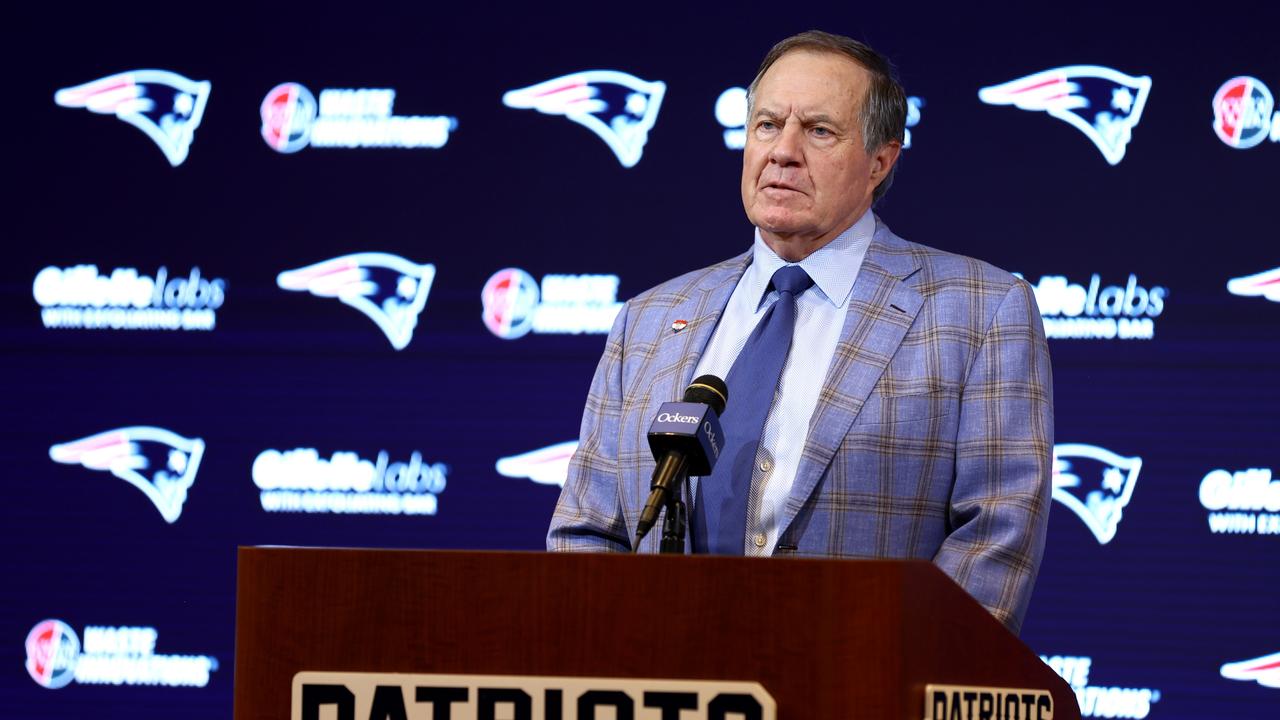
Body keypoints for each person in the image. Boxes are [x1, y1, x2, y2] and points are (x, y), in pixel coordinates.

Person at [547, 29, 1053, 634]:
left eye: (818, 130)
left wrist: (890, 679)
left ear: (880, 161)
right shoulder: (649, 319)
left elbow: (997, 534)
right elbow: (588, 529)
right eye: (766, 125)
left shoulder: (980, 310)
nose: (783, 152)